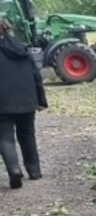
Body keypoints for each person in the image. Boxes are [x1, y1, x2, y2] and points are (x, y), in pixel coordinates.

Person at [0, 18, 47, 189]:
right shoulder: (21, 48)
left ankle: (14, 169)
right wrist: (41, 100)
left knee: (5, 137)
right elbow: (36, 76)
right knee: (27, 134)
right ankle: (34, 171)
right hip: (26, 99)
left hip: (2, 102)